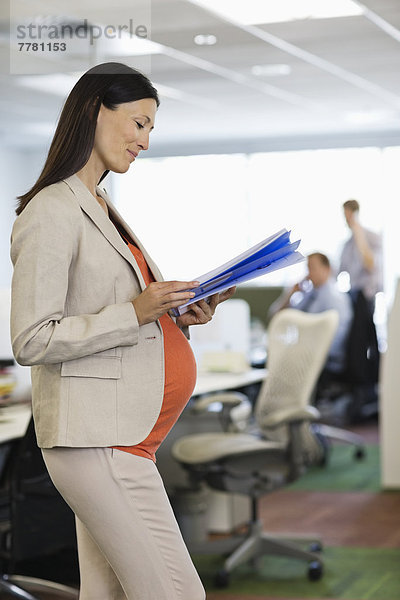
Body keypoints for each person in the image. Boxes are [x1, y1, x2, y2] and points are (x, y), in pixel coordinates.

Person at [10, 62, 235, 600]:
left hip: (123, 437)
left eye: (151, 128)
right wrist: (137, 311)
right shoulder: (52, 209)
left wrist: (173, 315)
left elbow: (112, 310)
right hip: (98, 440)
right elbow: (32, 338)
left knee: (106, 594)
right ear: (94, 110)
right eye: (138, 123)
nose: (145, 140)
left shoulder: (102, 207)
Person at [269, 252, 353, 375]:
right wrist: (291, 293)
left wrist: (301, 352)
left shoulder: (335, 298)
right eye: (307, 268)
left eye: (312, 268)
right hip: (305, 354)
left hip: (324, 361)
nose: (308, 274)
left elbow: (334, 342)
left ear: (327, 269)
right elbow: (277, 316)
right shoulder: (310, 294)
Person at [339, 199, 383, 314]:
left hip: (366, 296)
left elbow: (370, 264)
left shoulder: (372, 237)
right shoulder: (347, 245)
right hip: (353, 293)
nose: (346, 220)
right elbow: (339, 270)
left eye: (347, 215)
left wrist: (358, 232)